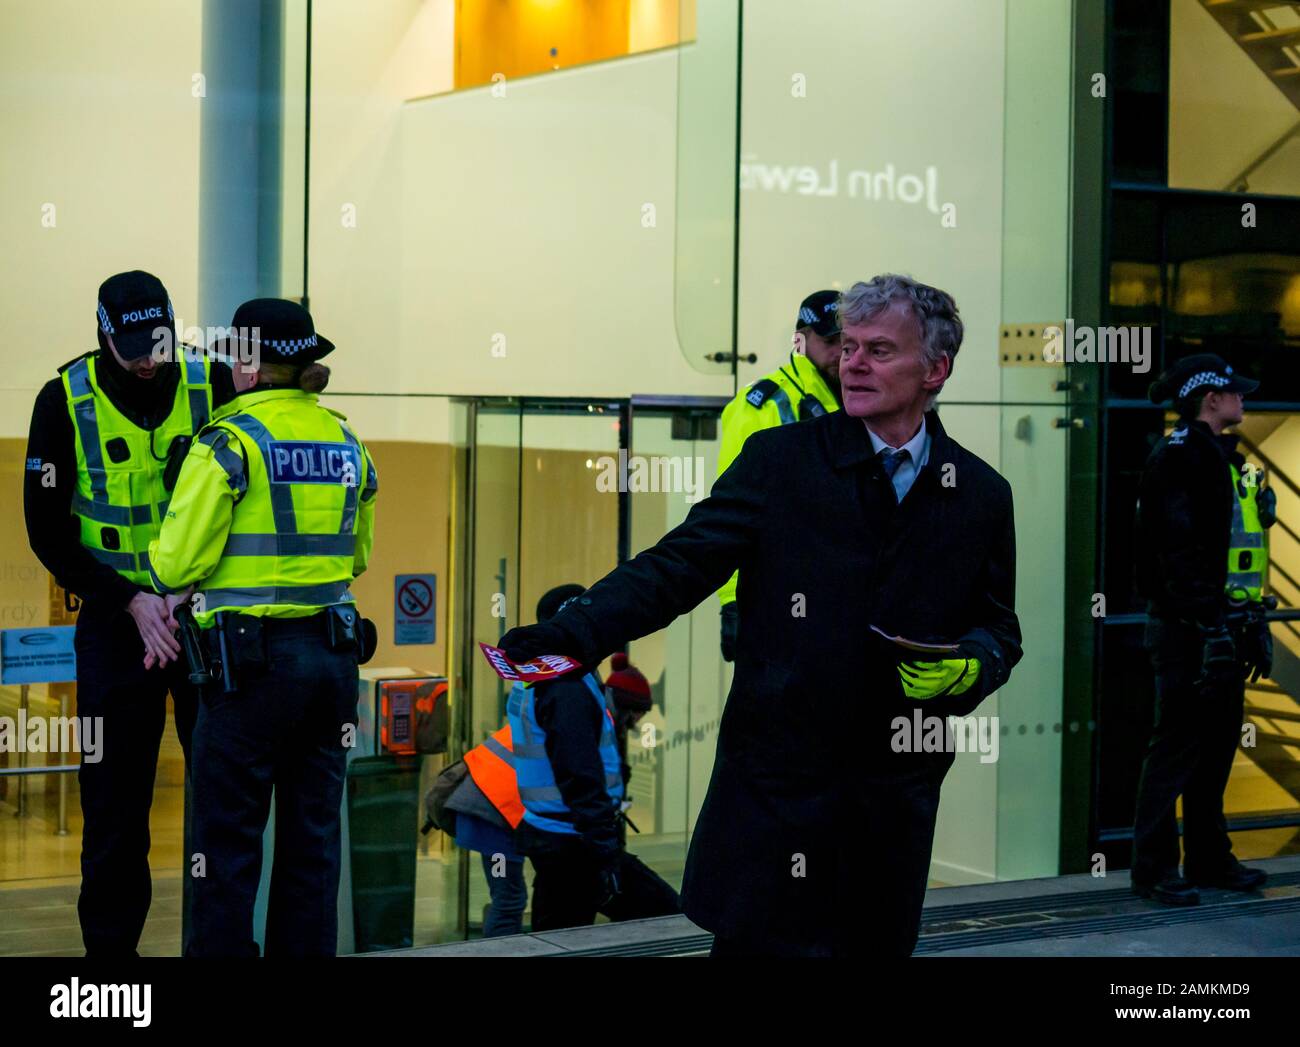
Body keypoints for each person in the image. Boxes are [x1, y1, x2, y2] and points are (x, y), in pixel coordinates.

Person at [500, 274, 1021, 957]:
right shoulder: (782, 462)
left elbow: (998, 628)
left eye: (879, 350)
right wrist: (576, 630)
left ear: (936, 369)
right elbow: (680, 563)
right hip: (778, 796)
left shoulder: (980, 493)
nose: (854, 362)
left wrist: (972, 665)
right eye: (851, 346)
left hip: (892, 801)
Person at [147, 297, 379, 956]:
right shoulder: (345, 441)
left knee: (225, 849)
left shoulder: (228, 441)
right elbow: (357, 556)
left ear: (249, 364)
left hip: (247, 666)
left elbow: (174, 564)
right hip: (332, 660)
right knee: (313, 845)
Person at [23, 270, 233, 957]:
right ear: (104, 333)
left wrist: (180, 590)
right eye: (136, 344)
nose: (151, 357)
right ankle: (112, 973)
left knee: (222, 807)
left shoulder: (214, 384)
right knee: (114, 812)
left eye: (162, 340)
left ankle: (218, 948)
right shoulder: (63, 400)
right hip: (116, 626)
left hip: (201, 616)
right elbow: (47, 532)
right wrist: (132, 599)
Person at [1131, 353, 1273, 906]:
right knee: (1175, 750)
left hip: (1224, 627)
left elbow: (1232, 551)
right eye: (1235, 391)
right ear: (1210, 399)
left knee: (1214, 751)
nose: (1244, 398)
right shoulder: (1181, 457)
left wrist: (1248, 618)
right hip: (1189, 631)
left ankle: (1211, 859)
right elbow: (1172, 554)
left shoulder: (1223, 459)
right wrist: (1207, 623)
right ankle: (1155, 868)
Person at [715, 289, 843, 661]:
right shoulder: (763, 403)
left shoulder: (858, 400)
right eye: (830, 340)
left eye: (848, 340)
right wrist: (732, 600)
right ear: (801, 340)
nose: (840, 351)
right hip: (779, 596)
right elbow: (730, 511)